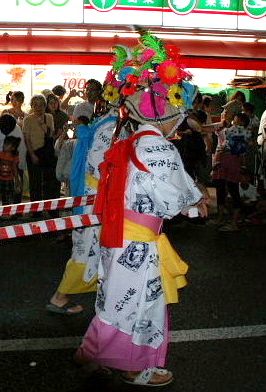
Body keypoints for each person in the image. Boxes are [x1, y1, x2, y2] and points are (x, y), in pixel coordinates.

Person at [75, 33, 209, 387]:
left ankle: (97, 352)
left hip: (116, 236)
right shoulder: (160, 149)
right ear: (168, 112)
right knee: (138, 307)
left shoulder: (129, 140)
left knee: (113, 300)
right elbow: (174, 199)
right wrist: (196, 203)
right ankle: (132, 366)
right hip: (137, 243)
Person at [47, 103, 122, 315]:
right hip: (96, 198)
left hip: (96, 196)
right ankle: (60, 297)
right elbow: (101, 164)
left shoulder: (109, 120)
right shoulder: (113, 126)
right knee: (87, 250)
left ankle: (109, 299)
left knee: (95, 249)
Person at [212, 112, 251, 231]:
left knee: (226, 189)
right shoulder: (245, 133)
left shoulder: (236, 130)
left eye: (236, 119)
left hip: (228, 161)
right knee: (228, 189)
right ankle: (228, 220)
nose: (234, 121)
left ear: (242, 122)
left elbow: (223, 140)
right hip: (230, 162)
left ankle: (230, 222)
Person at [23, 94, 60, 217]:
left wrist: (42, 124)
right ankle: (36, 211)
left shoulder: (49, 117)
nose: (38, 107)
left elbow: (50, 134)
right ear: (32, 106)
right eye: (35, 105)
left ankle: (51, 209)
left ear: (45, 106)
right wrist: (32, 154)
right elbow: (26, 139)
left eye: (41, 105)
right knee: (35, 183)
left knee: (50, 182)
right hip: (34, 152)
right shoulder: (27, 119)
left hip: (47, 153)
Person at [0, 114, 27, 206]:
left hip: (14, 161)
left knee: (14, 188)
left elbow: (20, 150)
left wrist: (17, 168)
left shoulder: (17, 131)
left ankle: (16, 209)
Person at [0, 136, 21, 206]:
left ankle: (5, 214)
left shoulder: (14, 157)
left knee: (7, 198)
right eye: (5, 143)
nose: (4, 145)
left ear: (13, 148)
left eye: (7, 144)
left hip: (9, 181)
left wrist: (17, 181)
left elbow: (15, 170)